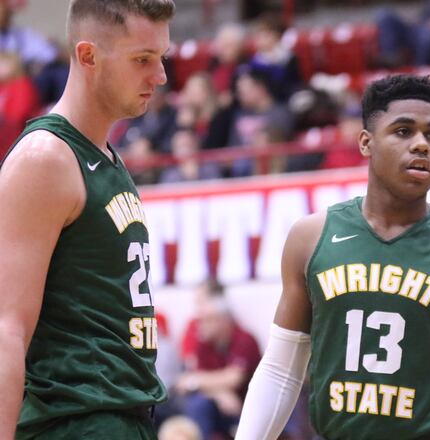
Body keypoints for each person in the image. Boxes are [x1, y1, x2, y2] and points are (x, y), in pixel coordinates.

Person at [236, 75, 430, 439]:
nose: (421, 145)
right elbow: (281, 370)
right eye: (403, 131)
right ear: (366, 143)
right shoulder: (311, 236)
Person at [0, 1, 174, 438]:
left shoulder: (105, 157)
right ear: (88, 56)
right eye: (142, 59)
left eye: (161, 58)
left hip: (120, 416)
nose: (160, 76)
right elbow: (6, 327)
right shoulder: (46, 158)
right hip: (74, 420)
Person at [173, 281, 261, 440]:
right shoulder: (202, 344)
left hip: (247, 406)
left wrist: (201, 382)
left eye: (206, 320)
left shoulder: (245, 339)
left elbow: (234, 378)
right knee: (196, 404)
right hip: (222, 405)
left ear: (223, 320)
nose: (199, 326)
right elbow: (187, 380)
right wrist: (219, 392)